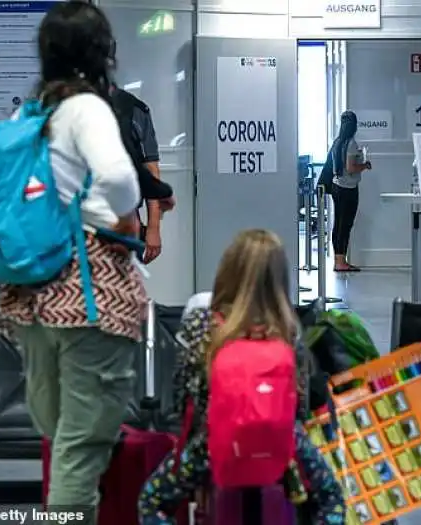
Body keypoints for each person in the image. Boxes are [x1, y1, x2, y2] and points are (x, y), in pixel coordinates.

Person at [0, 2, 146, 518]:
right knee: (81, 451)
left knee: (59, 439)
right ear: (102, 50)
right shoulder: (86, 108)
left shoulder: (29, 111)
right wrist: (126, 219)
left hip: (30, 295)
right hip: (88, 294)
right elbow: (121, 180)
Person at [138, 229, 345, 525]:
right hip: (282, 446)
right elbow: (299, 404)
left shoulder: (201, 323)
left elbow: (184, 395)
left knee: (152, 501)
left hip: (212, 445)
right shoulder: (288, 330)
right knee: (331, 499)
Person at [109, 40, 170, 264]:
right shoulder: (65, 107)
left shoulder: (132, 110)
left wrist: (153, 227)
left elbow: (150, 168)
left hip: (123, 222)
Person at [329, 111, 371, 273]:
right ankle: (341, 262)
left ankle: (338, 260)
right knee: (345, 225)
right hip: (348, 189)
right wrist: (365, 166)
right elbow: (351, 168)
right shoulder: (351, 143)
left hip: (336, 186)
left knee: (338, 224)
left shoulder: (337, 142)